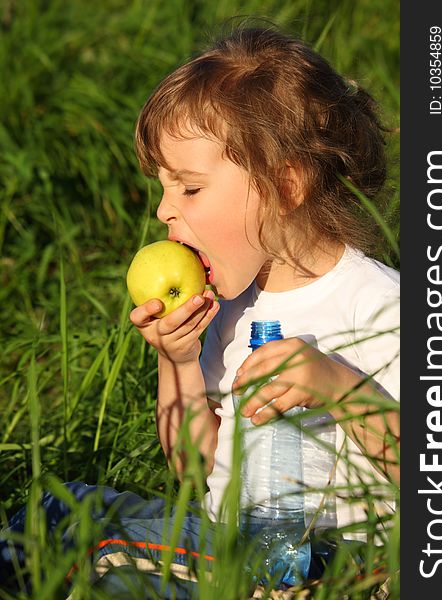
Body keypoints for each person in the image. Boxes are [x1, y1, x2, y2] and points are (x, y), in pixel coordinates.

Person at [0, 24, 399, 596]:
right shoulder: (234, 306)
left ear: (286, 186)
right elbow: (194, 470)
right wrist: (179, 360)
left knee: (89, 545)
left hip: (337, 570)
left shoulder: (381, 307)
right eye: (164, 189)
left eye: (189, 189)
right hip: (234, 548)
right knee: (56, 509)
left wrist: (338, 386)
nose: (164, 210)